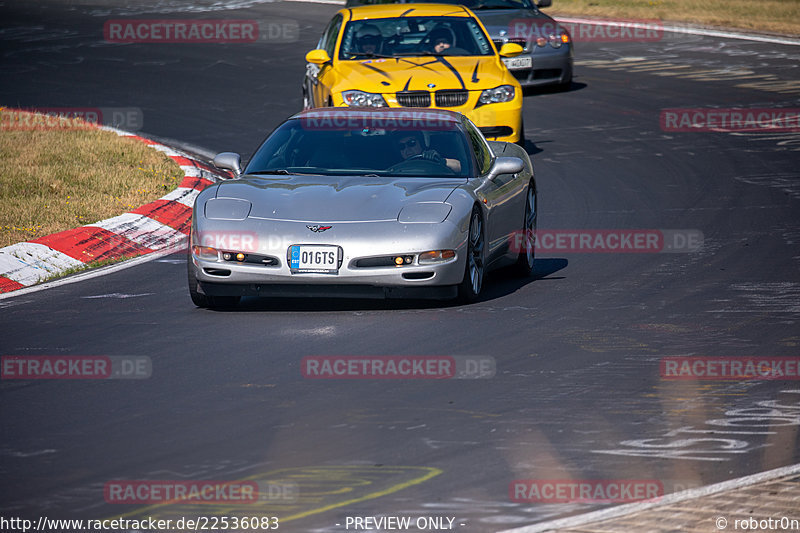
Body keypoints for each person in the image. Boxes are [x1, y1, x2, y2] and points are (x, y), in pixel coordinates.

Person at [395, 132, 461, 172]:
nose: (407, 149)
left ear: (422, 143)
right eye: (401, 146)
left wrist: (441, 161)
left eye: (411, 143)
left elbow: (461, 167)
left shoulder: (435, 160)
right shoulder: (393, 169)